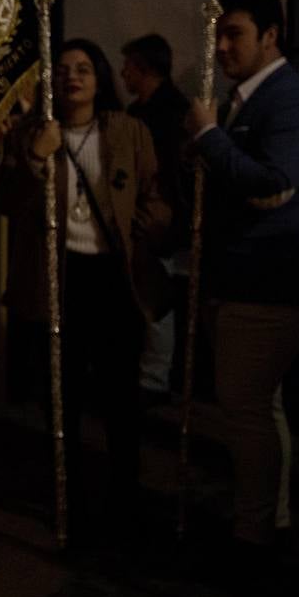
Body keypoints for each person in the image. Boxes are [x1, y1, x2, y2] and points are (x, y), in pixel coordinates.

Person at [186, 0, 299, 560]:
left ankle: (253, 536)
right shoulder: (241, 102)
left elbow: (271, 183)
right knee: (257, 406)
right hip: (241, 279)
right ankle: (267, 516)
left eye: (235, 34)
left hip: (275, 280)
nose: (222, 46)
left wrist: (206, 137)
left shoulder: (295, 102)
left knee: (244, 404)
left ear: (270, 35)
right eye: (219, 35)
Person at [0, 38, 171, 535]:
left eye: (83, 68)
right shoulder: (32, 134)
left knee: (120, 398)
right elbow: (8, 201)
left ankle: (124, 500)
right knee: (63, 396)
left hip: (111, 277)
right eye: (63, 69)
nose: (72, 76)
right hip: (58, 278)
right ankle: (67, 497)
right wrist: (35, 157)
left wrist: (140, 231)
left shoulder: (127, 131)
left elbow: (155, 196)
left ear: (99, 79)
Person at [121, 33, 190, 398]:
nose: (122, 74)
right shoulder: (139, 113)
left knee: (158, 297)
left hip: (162, 219)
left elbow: (172, 174)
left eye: (129, 67)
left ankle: (154, 380)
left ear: (144, 68)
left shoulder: (172, 115)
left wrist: (162, 217)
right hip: (144, 216)